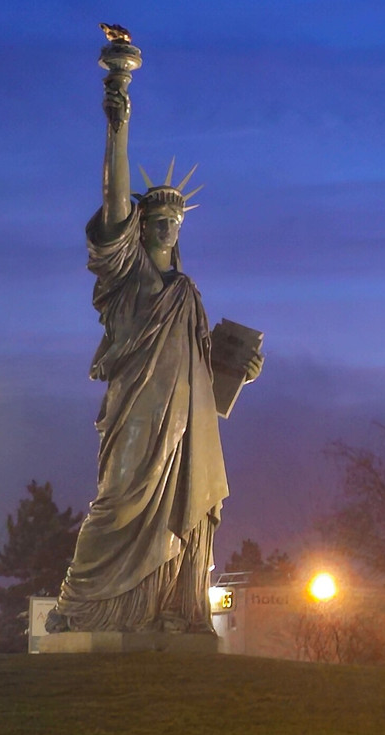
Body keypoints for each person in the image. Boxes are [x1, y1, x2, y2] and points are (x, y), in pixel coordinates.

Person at [47, 73, 261, 634]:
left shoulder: (187, 292)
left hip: (186, 422)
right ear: (140, 228)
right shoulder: (125, 276)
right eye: (158, 220)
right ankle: (83, 605)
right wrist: (118, 125)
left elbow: (200, 370)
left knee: (182, 512)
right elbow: (114, 203)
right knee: (119, 502)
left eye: (175, 221)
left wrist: (240, 371)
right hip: (137, 410)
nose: (167, 227)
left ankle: (169, 609)